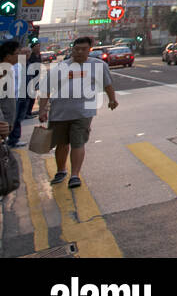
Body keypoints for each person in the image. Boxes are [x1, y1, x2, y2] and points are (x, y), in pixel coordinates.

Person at [37, 36, 119, 189]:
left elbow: (108, 85)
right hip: (59, 112)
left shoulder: (98, 66)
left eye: (83, 49)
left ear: (89, 50)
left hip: (83, 112)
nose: (79, 52)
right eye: (77, 49)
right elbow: (46, 90)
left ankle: (75, 175)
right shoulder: (61, 66)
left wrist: (112, 99)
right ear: (72, 49)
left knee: (78, 142)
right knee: (61, 143)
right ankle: (61, 171)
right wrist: (42, 110)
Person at [1, 40, 22, 148]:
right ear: (8, 56)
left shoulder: (9, 69)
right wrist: (3, 123)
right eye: (17, 53)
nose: (20, 56)